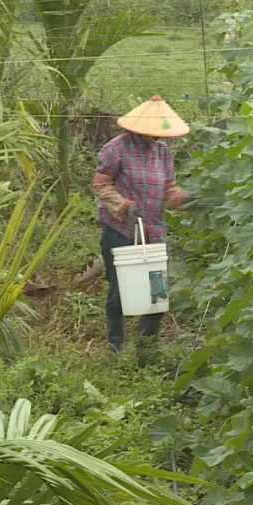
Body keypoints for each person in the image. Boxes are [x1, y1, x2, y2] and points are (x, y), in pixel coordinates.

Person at [90, 95, 193, 363]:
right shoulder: (116, 148)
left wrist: (187, 200)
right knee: (119, 291)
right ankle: (116, 348)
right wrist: (123, 205)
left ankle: (146, 351)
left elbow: (169, 190)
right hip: (121, 231)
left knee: (156, 293)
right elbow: (100, 185)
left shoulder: (162, 153)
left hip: (154, 233)